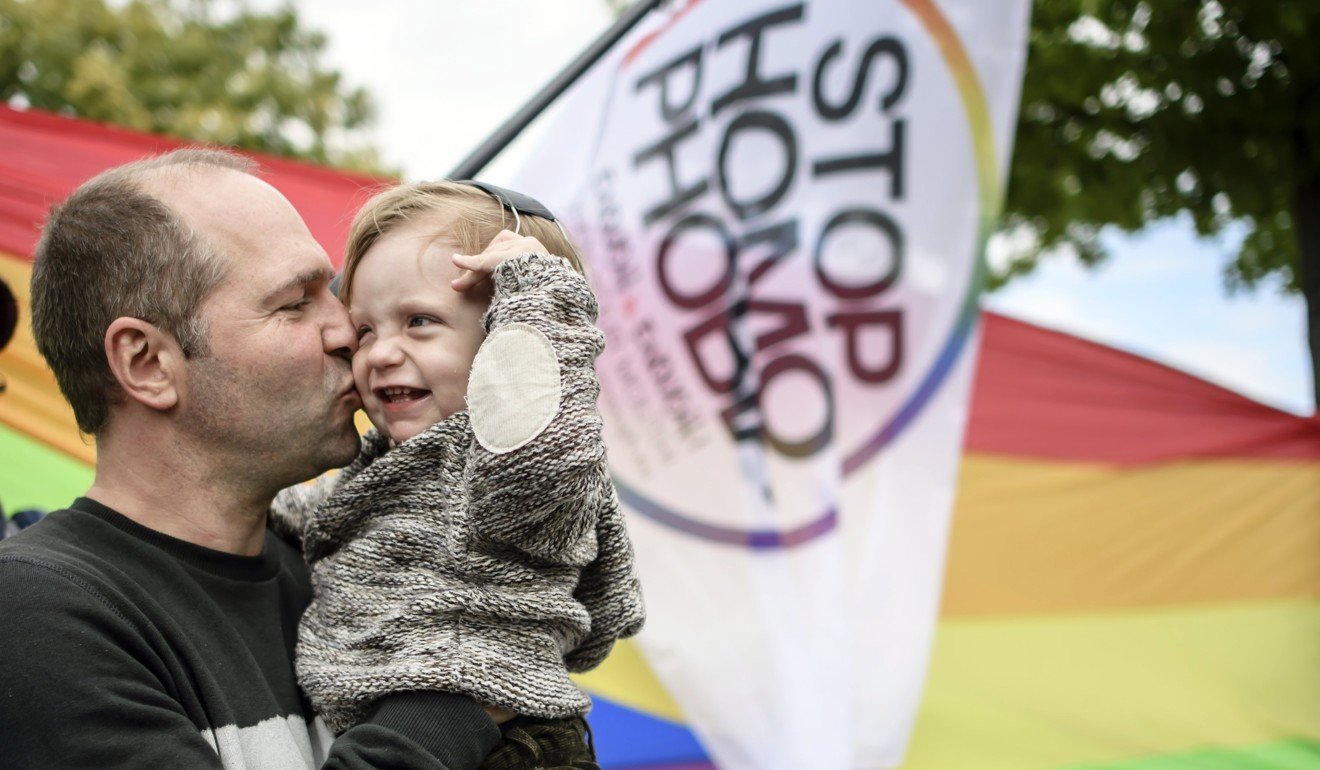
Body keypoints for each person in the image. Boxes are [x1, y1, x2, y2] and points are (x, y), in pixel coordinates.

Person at [0, 149, 504, 768]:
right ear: (147, 364)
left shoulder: (355, 571)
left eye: (333, 291)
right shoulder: (34, 613)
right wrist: (463, 698)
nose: (348, 332)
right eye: (296, 302)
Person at [269, 181, 645, 767]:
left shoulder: (514, 468)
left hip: (504, 749)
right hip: (393, 735)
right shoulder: (389, 465)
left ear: (506, 338)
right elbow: (329, 519)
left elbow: (537, 442)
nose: (378, 354)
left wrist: (538, 298)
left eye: (419, 321)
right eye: (365, 329)